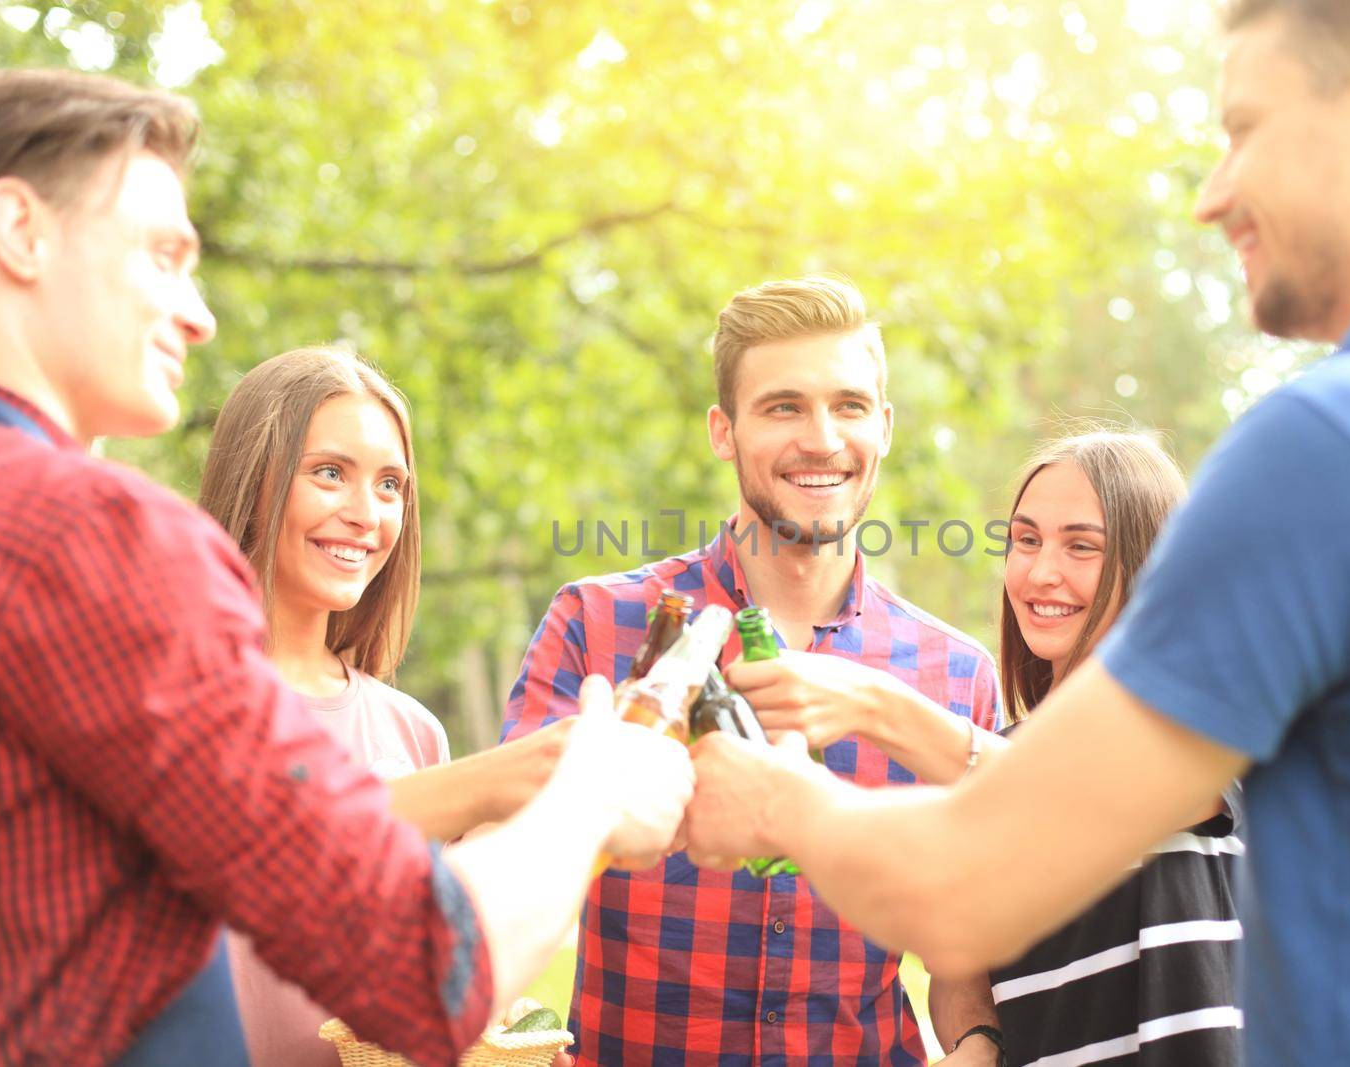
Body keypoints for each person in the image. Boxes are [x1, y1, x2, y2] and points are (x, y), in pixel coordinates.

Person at [682, 2, 1350, 1064]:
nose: (1213, 197)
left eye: (1243, 130)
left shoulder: (1340, 447)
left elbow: (965, 884)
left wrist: (776, 795)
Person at [0, 68, 692, 1066]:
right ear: (20, 230)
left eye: (392, 483)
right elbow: (417, 959)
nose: (198, 314)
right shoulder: (88, 533)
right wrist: (595, 791)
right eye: (163, 255)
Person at [501, 275, 1003, 1064]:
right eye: (782, 407)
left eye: (849, 405)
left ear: (885, 424)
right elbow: (507, 867)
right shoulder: (598, 624)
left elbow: (961, 945)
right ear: (723, 430)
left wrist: (974, 1048)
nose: (823, 439)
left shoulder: (953, 673)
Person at [730, 431, 1242, 1067]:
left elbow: (1097, 792)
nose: (1039, 572)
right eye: (1025, 541)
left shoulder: (1208, 721)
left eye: (1082, 546)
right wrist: (978, 1042)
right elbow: (958, 961)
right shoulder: (998, 752)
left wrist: (875, 704)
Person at [195, 347, 579, 1066]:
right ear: (253, 481)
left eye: (390, 485)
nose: (365, 514)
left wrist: (494, 1033)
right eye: (330, 472)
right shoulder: (188, 693)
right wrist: (500, 779)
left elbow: (421, 962)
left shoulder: (413, 731)